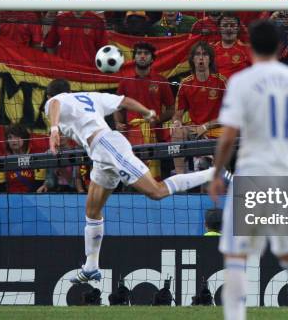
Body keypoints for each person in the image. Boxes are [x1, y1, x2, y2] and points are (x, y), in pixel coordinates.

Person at [45, 78, 216, 283]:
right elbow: (124, 100)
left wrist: (54, 130)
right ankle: (91, 267)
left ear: (49, 95)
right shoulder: (91, 97)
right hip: (100, 155)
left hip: (108, 147)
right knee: (92, 211)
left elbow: (55, 103)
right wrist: (147, 112)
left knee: (157, 192)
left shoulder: (54, 102)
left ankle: (214, 172)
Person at [209, 20, 288, 320]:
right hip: (286, 174)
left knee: (235, 257)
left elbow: (229, 135)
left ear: (249, 45)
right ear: (282, 47)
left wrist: (217, 172)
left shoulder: (241, 81)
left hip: (252, 173)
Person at [114, 42, 174, 179]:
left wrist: (157, 119)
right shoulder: (125, 82)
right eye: (139, 53)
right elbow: (118, 107)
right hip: (131, 137)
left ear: (152, 59)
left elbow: (171, 110)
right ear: (134, 58)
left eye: (146, 54)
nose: (142, 56)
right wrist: (118, 123)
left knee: (157, 180)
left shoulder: (161, 81)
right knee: (132, 176)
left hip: (157, 136)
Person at [172, 41, 226, 174]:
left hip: (218, 130)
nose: (201, 58)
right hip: (195, 130)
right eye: (197, 54)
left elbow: (230, 115)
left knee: (209, 176)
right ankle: (180, 177)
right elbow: (177, 114)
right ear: (192, 59)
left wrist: (206, 126)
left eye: (205, 54)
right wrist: (177, 122)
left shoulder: (221, 81)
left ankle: (210, 165)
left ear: (210, 59)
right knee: (177, 132)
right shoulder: (185, 83)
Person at [44, 0, 108, 68]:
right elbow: (50, 44)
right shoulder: (61, 20)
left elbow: (103, 51)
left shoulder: (97, 22)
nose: (80, 0)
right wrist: (57, 64)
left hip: (88, 73)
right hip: (65, 73)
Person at [212, 13, 251, 79]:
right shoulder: (211, 49)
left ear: (238, 28)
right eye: (225, 25)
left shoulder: (247, 50)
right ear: (219, 28)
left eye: (232, 25)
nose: (229, 28)